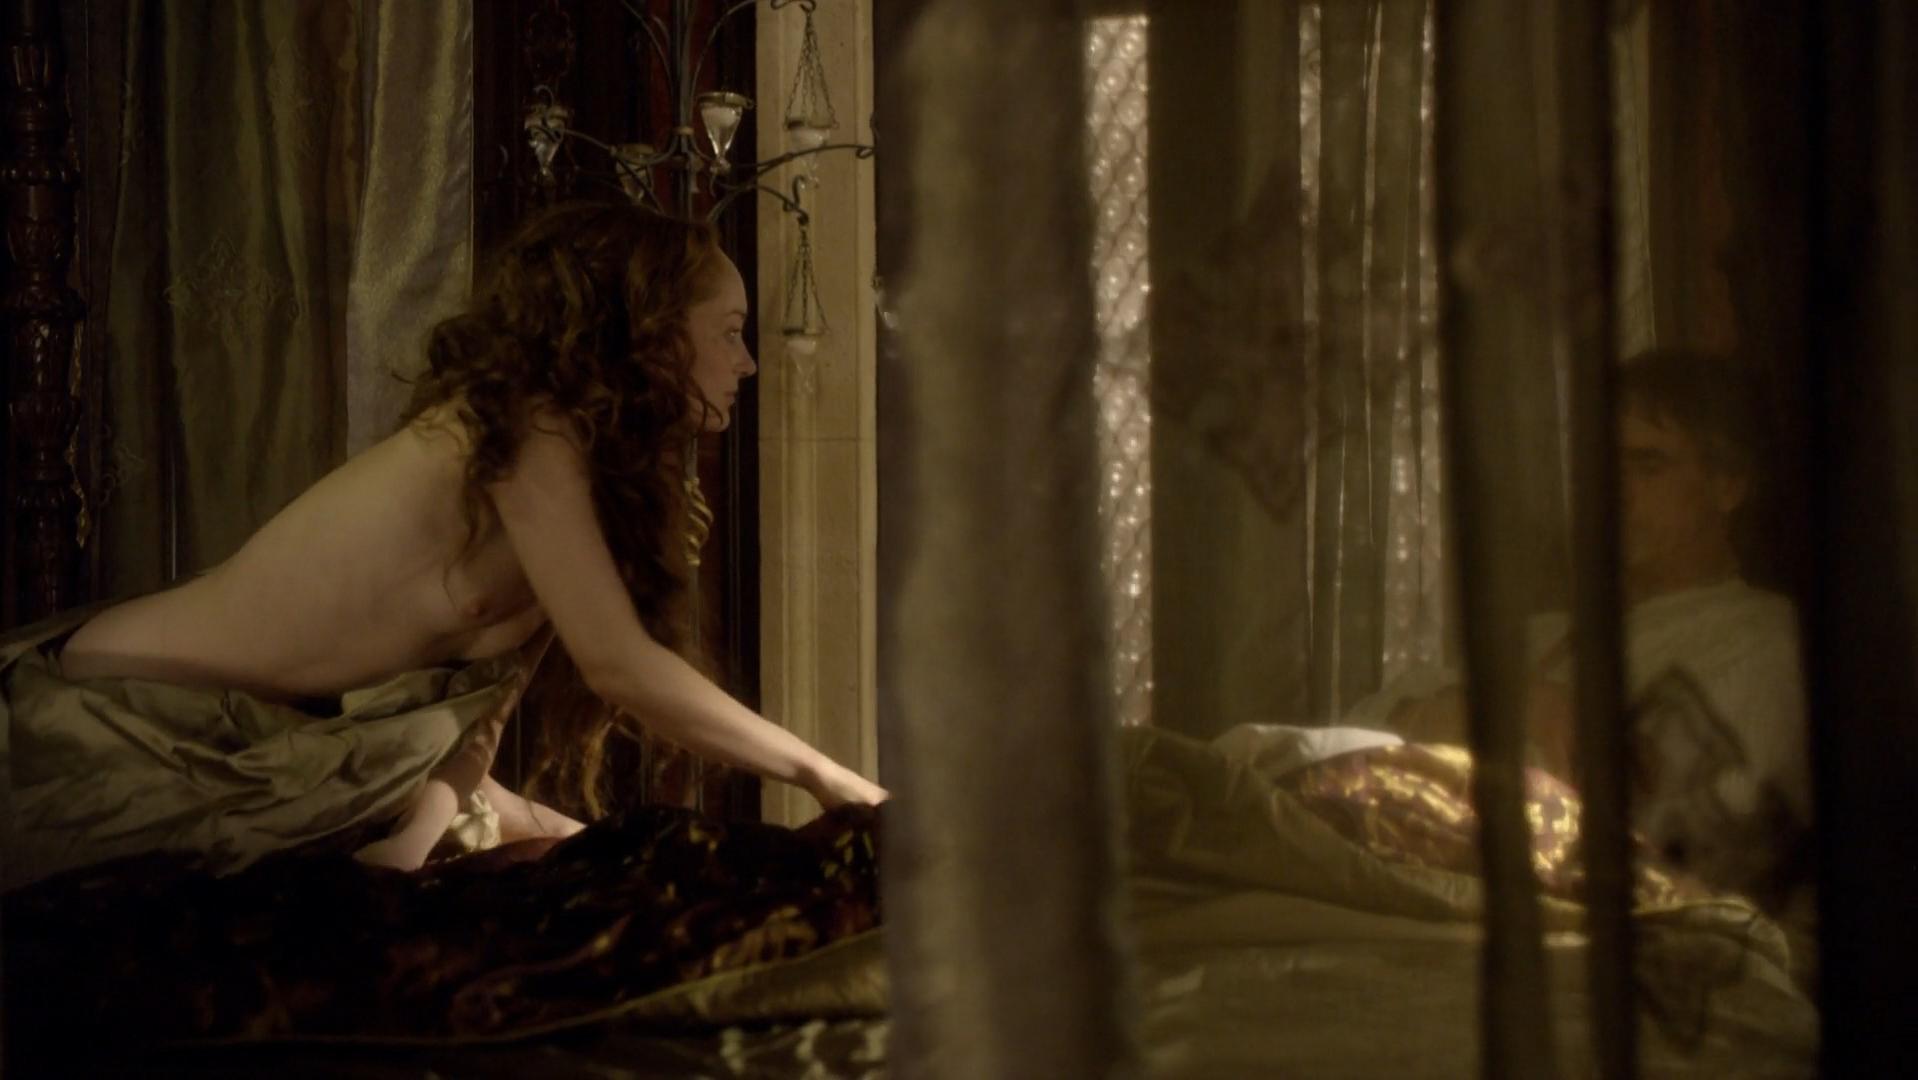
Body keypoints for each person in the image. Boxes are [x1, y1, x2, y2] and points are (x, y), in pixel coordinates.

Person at [8, 200, 886, 884]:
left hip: (265, 750)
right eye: (729, 332)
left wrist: (407, 853)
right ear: (652, 330)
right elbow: (621, 667)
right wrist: (826, 777)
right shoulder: (524, 431)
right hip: (117, 721)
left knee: (574, 842)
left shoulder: (587, 483)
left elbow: (476, 725)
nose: (748, 363)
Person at [1364, 350, 1809, 906]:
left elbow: (1671, 845)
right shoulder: (1541, 636)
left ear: (1728, 485)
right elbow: (1355, 733)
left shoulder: (1766, 643)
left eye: (1648, 466)